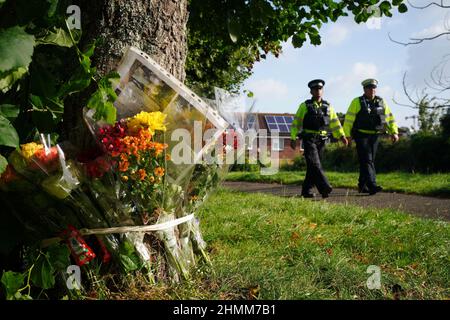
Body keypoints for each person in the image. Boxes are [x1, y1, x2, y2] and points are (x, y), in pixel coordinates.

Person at [290, 79, 348, 198]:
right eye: (315, 89)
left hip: (322, 139)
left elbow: (335, 122)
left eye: (320, 89)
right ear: (311, 92)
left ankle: (306, 191)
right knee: (315, 163)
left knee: (313, 166)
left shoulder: (328, 106)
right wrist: (293, 137)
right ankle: (325, 187)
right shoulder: (305, 106)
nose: (318, 91)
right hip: (309, 138)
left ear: (322, 91)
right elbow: (296, 123)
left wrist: (342, 136)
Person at [343, 78, 399, 195]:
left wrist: (394, 132)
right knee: (368, 159)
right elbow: (348, 120)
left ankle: (362, 185)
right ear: (364, 89)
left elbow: (388, 118)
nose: (372, 90)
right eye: (369, 88)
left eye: (374, 88)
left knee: (368, 160)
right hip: (361, 135)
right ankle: (372, 185)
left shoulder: (381, 102)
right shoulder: (357, 102)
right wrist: (347, 135)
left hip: (375, 136)